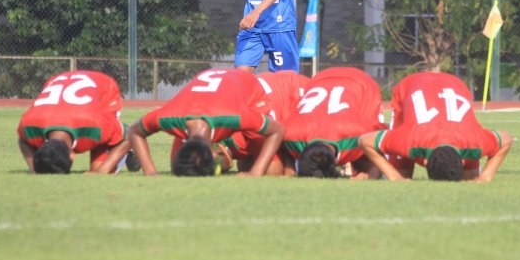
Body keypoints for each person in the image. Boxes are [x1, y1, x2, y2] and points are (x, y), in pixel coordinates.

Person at [358, 72, 513, 182]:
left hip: (454, 85)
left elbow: (506, 140)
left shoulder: (474, 144)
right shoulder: (408, 140)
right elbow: (365, 141)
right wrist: (394, 176)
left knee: (470, 181)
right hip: (411, 86)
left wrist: (486, 177)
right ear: (424, 161)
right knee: (403, 174)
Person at [127, 68, 284, 177]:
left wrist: (256, 172)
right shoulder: (169, 117)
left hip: (248, 86)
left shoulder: (233, 116)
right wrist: (150, 172)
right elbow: (134, 131)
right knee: (182, 167)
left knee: (271, 171)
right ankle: (228, 156)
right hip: (209, 89)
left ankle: (230, 154)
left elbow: (277, 130)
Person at [17, 70, 137, 174]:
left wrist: (103, 171)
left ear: (72, 155)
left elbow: (131, 134)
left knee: (98, 168)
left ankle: (128, 148)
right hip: (63, 84)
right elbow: (23, 140)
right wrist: (34, 168)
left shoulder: (95, 126)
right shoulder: (29, 125)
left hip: (103, 88)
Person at [281, 67, 387, 178]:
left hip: (361, 82)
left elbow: (381, 135)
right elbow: (279, 139)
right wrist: (290, 169)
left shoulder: (356, 132)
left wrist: (369, 174)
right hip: (319, 79)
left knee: (365, 155)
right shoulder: (290, 134)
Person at [217, 70, 309, 175]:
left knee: (268, 169)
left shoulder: (247, 131)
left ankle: (292, 166)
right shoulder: (220, 127)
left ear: (220, 152)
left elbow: (273, 171)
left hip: (299, 92)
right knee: (246, 165)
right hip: (279, 91)